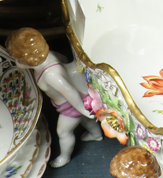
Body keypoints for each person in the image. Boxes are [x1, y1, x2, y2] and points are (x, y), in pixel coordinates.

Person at [6, 27, 101, 168]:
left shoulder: (51, 75)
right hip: (68, 102)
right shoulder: (48, 56)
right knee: (83, 121)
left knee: (63, 131)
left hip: (70, 105)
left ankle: (65, 157)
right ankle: (96, 135)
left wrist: (82, 109)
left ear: (28, 58)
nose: (16, 62)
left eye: (18, 59)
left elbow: (70, 92)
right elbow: (64, 59)